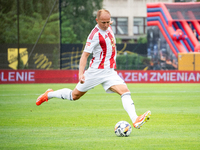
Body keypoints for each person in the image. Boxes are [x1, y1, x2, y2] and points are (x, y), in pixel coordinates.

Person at [36, 9, 151, 129]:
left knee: (125, 92)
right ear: (97, 21)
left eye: (108, 22)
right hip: (95, 72)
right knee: (74, 96)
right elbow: (84, 55)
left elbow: (107, 24)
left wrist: (108, 23)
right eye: (103, 23)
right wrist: (81, 74)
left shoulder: (108, 26)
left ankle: (135, 120)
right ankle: (49, 94)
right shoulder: (94, 36)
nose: (106, 25)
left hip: (109, 71)